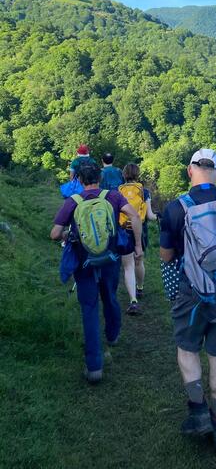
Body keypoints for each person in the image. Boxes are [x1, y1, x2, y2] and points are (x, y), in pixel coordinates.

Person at [160, 148, 216, 453]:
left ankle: (198, 413)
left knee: (187, 349)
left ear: (190, 171)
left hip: (192, 295)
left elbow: (166, 256)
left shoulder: (176, 208)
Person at [51, 162, 143, 383]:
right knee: (110, 296)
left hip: (83, 262)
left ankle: (94, 368)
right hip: (110, 259)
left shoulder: (73, 201)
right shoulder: (113, 196)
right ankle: (112, 334)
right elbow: (134, 216)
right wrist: (138, 245)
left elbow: (54, 234)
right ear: (99, 179)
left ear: (80, 181)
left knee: (89, 308)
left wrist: (67, 235)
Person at [118, 163, 156, 313]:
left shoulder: (119, 191)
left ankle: (133, 299)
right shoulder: (144, 191)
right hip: (141, 230)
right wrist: (160, 217)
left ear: (124, 174)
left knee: (128, 266)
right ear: (137, 174)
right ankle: (140, 288)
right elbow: (150, 216)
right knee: (139, 260)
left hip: (124, 230)